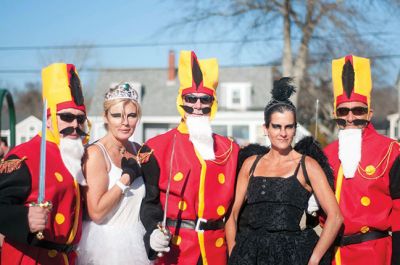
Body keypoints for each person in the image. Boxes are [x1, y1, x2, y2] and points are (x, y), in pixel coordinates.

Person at [226, 77, 343, 265]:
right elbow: (232, 215)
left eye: (289, 127)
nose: (283, 133)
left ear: (295, 129)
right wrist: (234, 252)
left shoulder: (308, 165)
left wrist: (314, 259)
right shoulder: (250, 164)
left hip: (292, 256)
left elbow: (336, 217)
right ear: (266, 128)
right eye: (277, 126)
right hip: (249, 255)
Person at [139, 50, 240, 265]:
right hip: (177, 251)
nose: (197, 105)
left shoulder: (230, 150)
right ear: (181, 100)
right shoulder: (157, 148)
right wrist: (153, 231)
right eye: (191, 98)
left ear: (213, 103)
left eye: (205, 99)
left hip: (216, 252)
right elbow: (150, 202)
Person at [0, 63, 88, 265]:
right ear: (48, 119)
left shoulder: (79, 154)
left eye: (80, 118)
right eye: (66, 117)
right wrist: (24, 218)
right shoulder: (25, 156)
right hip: (31, 258)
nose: (74, 125)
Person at [324, 55, 400, 265]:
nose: (350, 118)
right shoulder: (326, 154)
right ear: (335, 114)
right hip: (335, 255)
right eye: (343, 111)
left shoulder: (391, 150)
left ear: (369, 113)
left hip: (374, 254)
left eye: (358, 110)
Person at [77, 82, 152, 265]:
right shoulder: (95, 153)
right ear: (106, 117)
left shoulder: (140, 150)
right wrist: (125, 179)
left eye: (132, 115)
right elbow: (96, 212)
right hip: (105, 245)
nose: (125, 122)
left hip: (137, 242)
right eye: (117, 115)